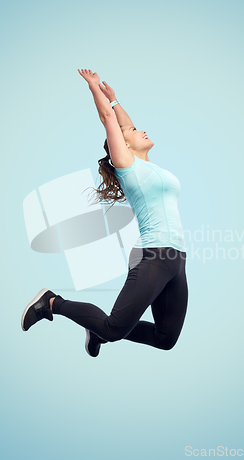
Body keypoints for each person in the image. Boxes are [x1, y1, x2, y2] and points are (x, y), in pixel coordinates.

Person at [20, 69, 189, 358]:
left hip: (176, 259)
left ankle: (95, 328)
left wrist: (115, 99)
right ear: (122, 147)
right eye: (134, 132)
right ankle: (51, 303)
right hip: (155, 255)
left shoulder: (148, 165)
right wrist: (95, 88)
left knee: (165, 338)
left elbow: (123, 122)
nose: (141, 129)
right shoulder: (129, 167)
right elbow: (110, 122)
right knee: (113, 328)